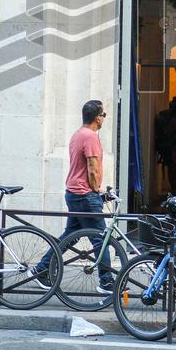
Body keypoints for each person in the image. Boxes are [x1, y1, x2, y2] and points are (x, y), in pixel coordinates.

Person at [31, 100, 113, 294]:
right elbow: (92, 168)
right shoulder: (91, 136)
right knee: (101, 239)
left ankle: (42, 269)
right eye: (104, 115)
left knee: (70, 236)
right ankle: (107, 281)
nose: (104, 119)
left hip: (74, 193)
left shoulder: (78, 134)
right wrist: (97, 190)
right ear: (97, 117)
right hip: (85, 194)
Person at [154, 96, 176, 195]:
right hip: (175, 146)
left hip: (169, 147)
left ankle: (174, 189)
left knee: (172, 169)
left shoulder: (164, 115)